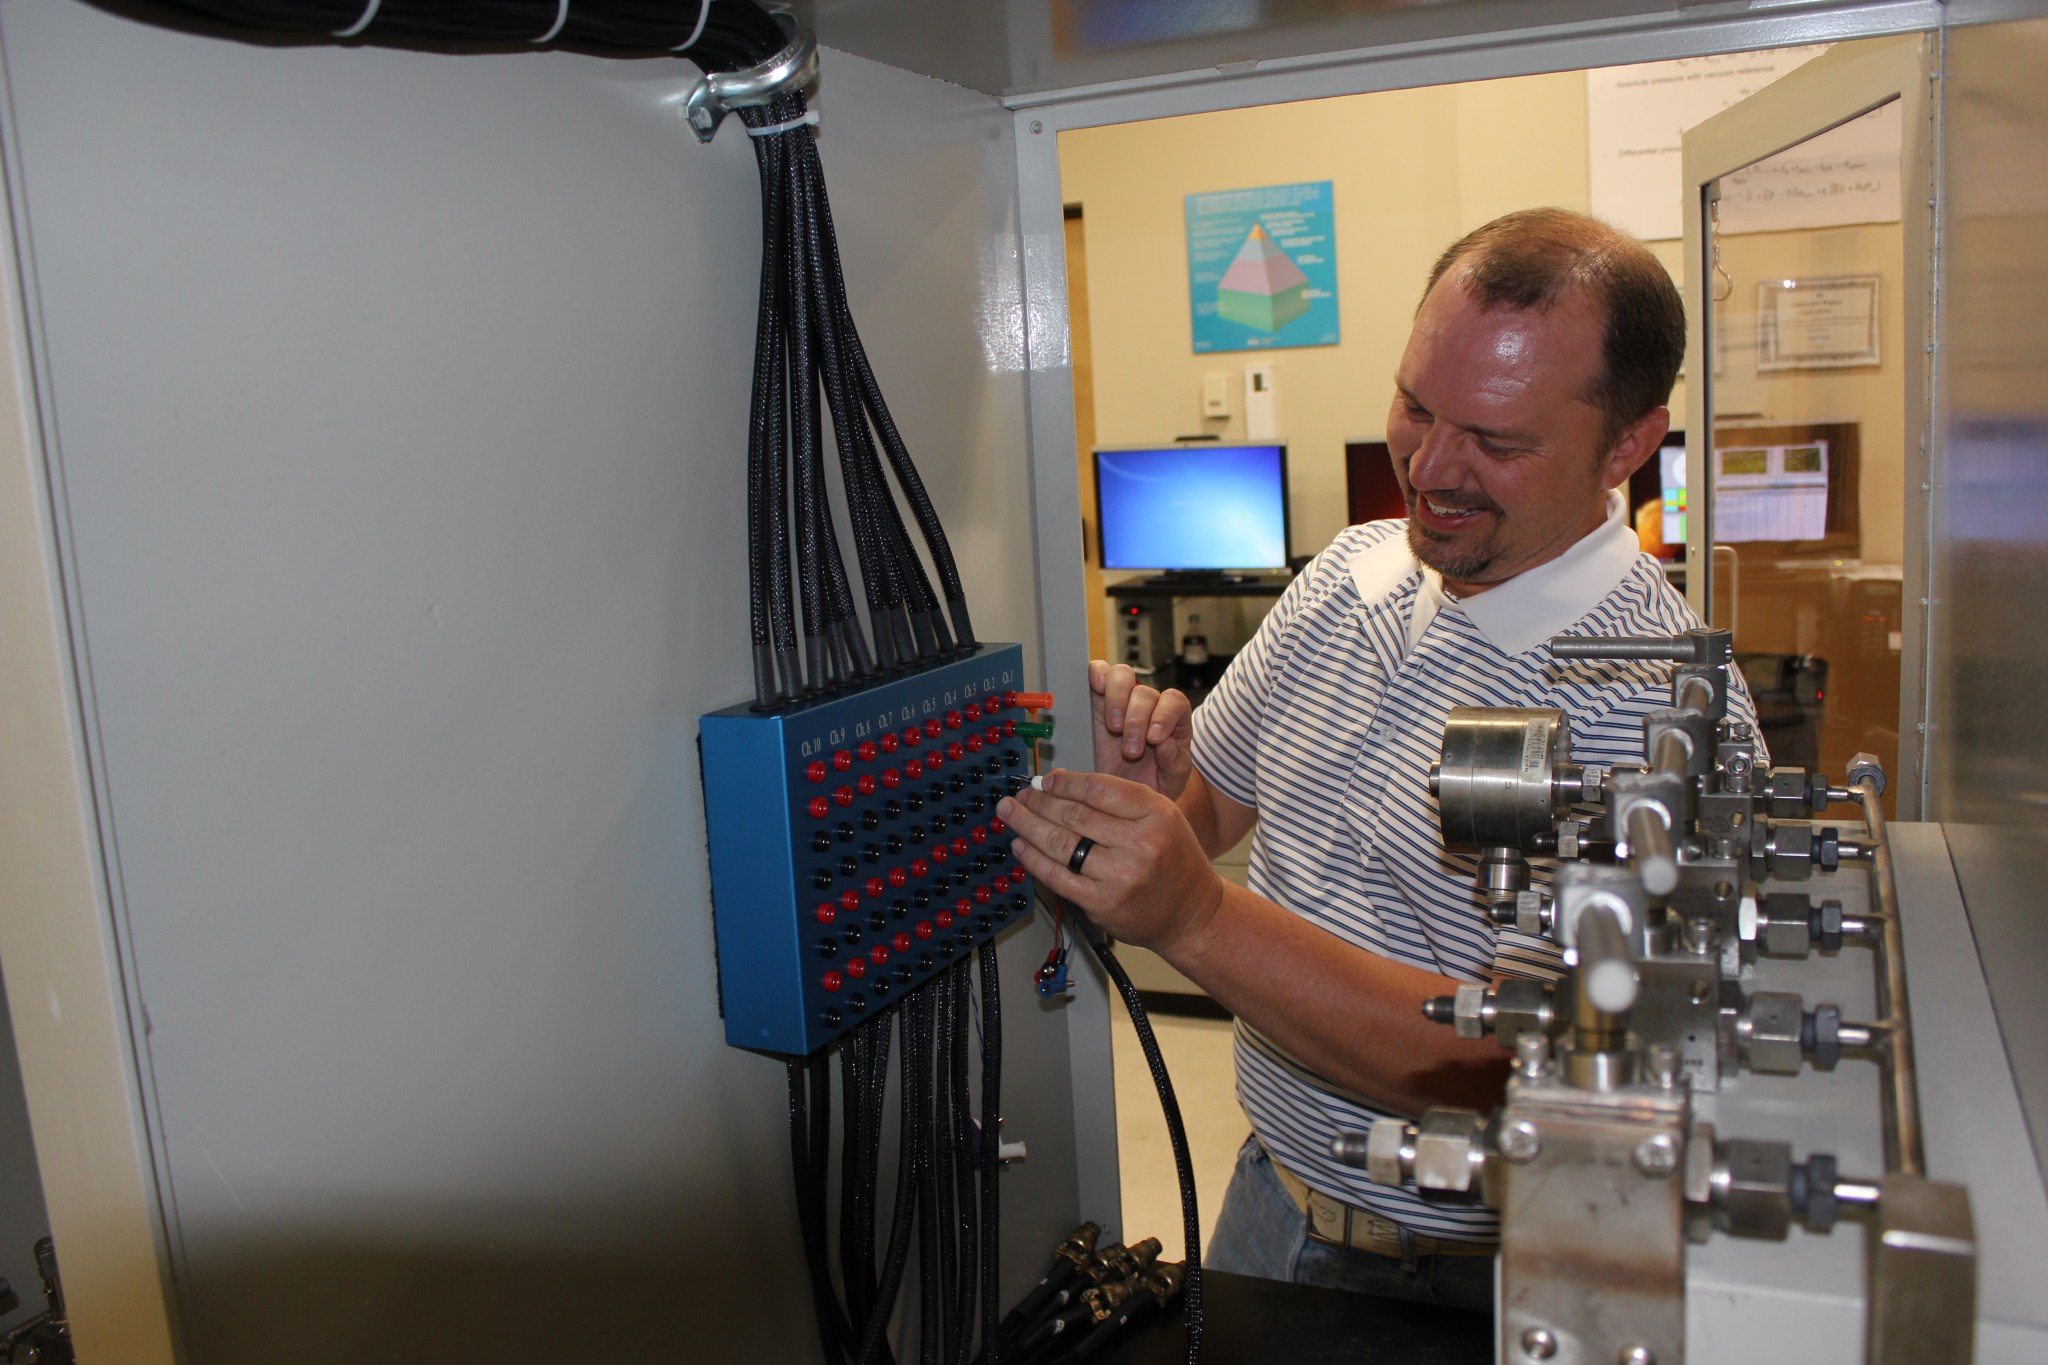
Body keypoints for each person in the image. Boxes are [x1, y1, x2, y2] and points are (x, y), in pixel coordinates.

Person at [996, 208, 1759, 1312]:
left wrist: (1194, 919)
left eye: (1495, 442)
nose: (1430, 469)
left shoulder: (1662, 714)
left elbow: (1521, 1073)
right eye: (1414, 406)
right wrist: (1154, 797)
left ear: (1628, 445)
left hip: (1466, 1277)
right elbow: (1217, 800)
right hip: (1270, 1193)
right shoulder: (1352, 571)